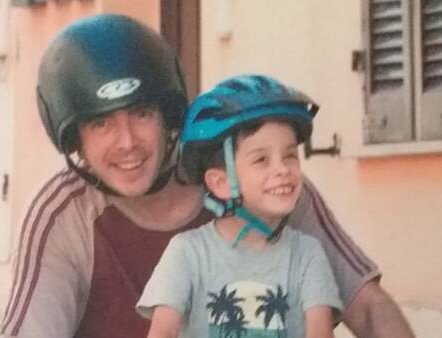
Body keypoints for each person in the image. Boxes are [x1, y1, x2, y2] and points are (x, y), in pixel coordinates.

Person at [0, 13, 414, 338]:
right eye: (101, 124)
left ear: (168, 114)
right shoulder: (62, 214)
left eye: (142, 114)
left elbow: (370, 310)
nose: (127, 142)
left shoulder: (256, 177)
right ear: (74, 138)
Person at [136, 74, 343, 338]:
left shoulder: (307, 255)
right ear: (220, 183)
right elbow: (161, 334)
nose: (282, 169)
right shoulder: (187, 253)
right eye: (261, 160)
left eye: (290, 156)